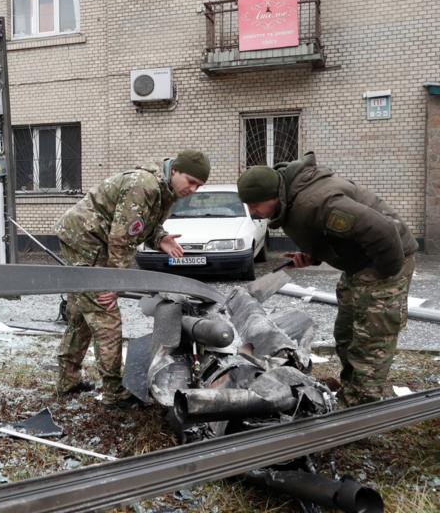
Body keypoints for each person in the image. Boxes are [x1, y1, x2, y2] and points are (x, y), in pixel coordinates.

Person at [236, 152, 417, 407]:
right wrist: (313, 256)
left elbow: (383, 231)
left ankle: (361, 412)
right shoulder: (291, 202)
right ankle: (351, 391)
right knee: (345, 334)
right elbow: (333, 234)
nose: (253, 213)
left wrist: (385, 277)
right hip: (359, 266)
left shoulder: (319, 202)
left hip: (384, 261)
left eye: (255, 205)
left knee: (370, 340)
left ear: (274, 196)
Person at [55, 150, 210, 406]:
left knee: (81, 312)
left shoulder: (165, 190)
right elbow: (121, 238)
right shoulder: (145, 185)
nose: (193, 189)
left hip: (96, 241)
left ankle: (67, 381)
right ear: (174, 171)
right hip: (86, 241)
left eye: (199, 185)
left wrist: (160, 237)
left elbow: (143, 224)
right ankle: (114, 392)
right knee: (105, 313)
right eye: (191, 181)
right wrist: (116, 283)